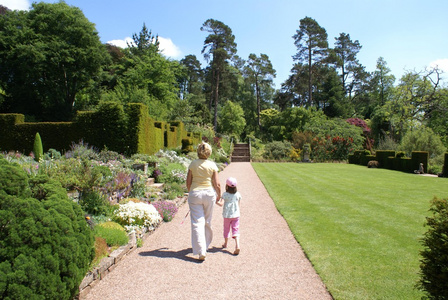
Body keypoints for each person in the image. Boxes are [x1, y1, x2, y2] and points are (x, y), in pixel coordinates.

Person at [186, 141, 221, 261]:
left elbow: (188, 182)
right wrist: (219, 195)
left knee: (197, 222)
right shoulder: (212, 165)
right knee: (207, 221)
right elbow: (217, 184)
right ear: (209, 152)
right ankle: (204, 247)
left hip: (195, 193)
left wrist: (191, 193)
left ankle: (201, 250)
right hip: (208, 194)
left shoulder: (193, 164)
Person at [216, 177, 242, 255]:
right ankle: (237, 245)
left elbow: (221, 204)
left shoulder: (225, 194)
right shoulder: (238, 194)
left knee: (226, 229)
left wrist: (215, 201)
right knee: (235, 229)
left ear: (226, 186)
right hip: (236, 215)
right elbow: (239, 204)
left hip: (227, 215)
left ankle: (225, 243)